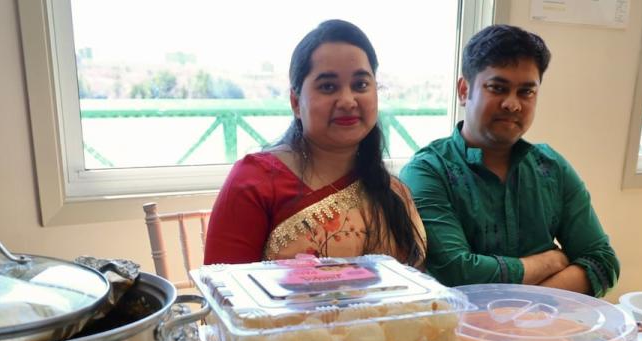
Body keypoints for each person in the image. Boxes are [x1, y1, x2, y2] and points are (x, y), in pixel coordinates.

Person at [400, 24, 619, 297]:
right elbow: (457, 273)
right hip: (458, 334)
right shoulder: (428, 171)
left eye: (526, 92)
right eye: (497, 88)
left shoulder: (551, 168)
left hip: (545, 331)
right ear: (464, 90)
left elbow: (602, 262)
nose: (512, 104)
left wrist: (522, 311)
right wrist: (551, 261)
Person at [203, 20, 426, 268]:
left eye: (360, 85)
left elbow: (415, 289)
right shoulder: (255, 181)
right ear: (296, 103)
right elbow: (225, 293)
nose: (347, 100)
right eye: (328, 87)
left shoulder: (394, 192)